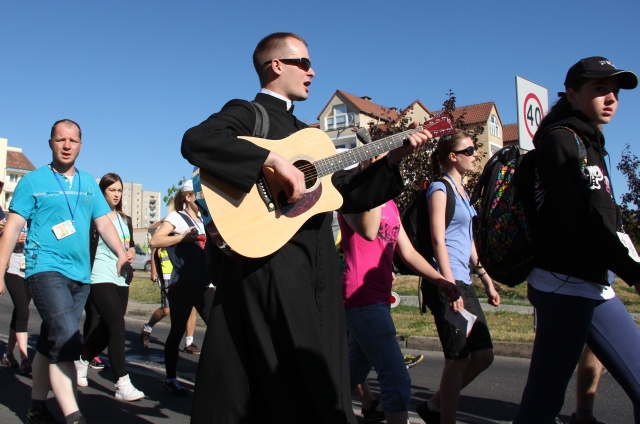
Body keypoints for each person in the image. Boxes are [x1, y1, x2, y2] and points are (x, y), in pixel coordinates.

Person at [181, 32, 432, 423]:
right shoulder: (250, 113)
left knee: (319, 372)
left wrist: (393, 159)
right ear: (275, 65)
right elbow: (197, 140)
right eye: (303, 63)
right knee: (288, 379)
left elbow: (344, 192)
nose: (312, 72)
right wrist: (272, 159)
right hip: (271, 267)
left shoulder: (311, 136)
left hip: (317, 270)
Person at [512, 56, 640, 424]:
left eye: (614, 91)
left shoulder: (589, 143)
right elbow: (577, 219)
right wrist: (632, 270)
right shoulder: (561, 142)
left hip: (593, 284)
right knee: (543, 403)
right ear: (571, 94)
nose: (612, 98)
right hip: (563, 284)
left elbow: (600, 216)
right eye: (600, 90)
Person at [0, 119, 130, 424]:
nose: (67, 145)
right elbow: (12, 228)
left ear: (81, 145)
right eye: (61, 140)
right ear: (50, 143)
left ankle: (36, 407)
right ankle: (73, 414)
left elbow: (103, 223)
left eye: (73, 140)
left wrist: (122, 254)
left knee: (50, 340)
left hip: (80, 276)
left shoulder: (88, 183)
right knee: (67, 336)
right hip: (44, 269)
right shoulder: (32, 182)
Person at [340, 154, 459, 424]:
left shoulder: (391, 204)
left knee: (347, 376)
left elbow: (408, 253)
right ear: (365, 164)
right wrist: (377, 187)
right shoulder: (349, 197)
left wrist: (440, 280)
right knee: (396, 378)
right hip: (360, 297)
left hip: (379, 298)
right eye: (380, 162)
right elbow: (369, 231)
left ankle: (307, 404)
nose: (388, 167)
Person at [417, 129, 500, 424]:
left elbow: (469, 241)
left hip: (463, 279)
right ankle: (445, 417)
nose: (475, 154)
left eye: (474, 149)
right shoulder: (440, 189)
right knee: (458, 358)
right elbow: (439, 239)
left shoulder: (463, 192)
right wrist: (449, 286)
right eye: (469, 150)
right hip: (446, 280)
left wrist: (486, 278)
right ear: (452, 157)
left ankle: (435, 405)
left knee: (483, 354)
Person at [74, 173, 145, 401]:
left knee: (107, 329)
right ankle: (122, 383)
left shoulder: (126, 219)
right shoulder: (94, 217)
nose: (116, 194)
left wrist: (131, 252)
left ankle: (83, 358)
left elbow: (129, 246)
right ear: (102, 192)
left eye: (119, 190)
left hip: (121, 277)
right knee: (116, 323)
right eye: (112, 190)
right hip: (99, 275)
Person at [149, 180, 214, 396]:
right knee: (176, 331)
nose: (205, 198)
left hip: (206, 282)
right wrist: (182, 237)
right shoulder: (177, 217)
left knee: (219, 328)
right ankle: (170, 378)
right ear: (188, 197)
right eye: (200, 194)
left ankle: (213, 378)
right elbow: (155, 240)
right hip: (184, 283)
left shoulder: (206, 219)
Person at [140, 247, 201, 355]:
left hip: (183, 273)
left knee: (191, 307)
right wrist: (154, 271)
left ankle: (189, 343)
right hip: (167, 274)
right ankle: (147, 327)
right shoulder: (165, 230)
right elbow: (155, 248)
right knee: (166, 310)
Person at [1, 223, 32, 375]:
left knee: (19, 312)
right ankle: (24, 356)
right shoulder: (13, 218)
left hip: (31, 271)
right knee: (23, 311)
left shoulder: (38, 216)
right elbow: (3, 241)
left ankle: (8, 353)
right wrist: (13, 239)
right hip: (12, 270)